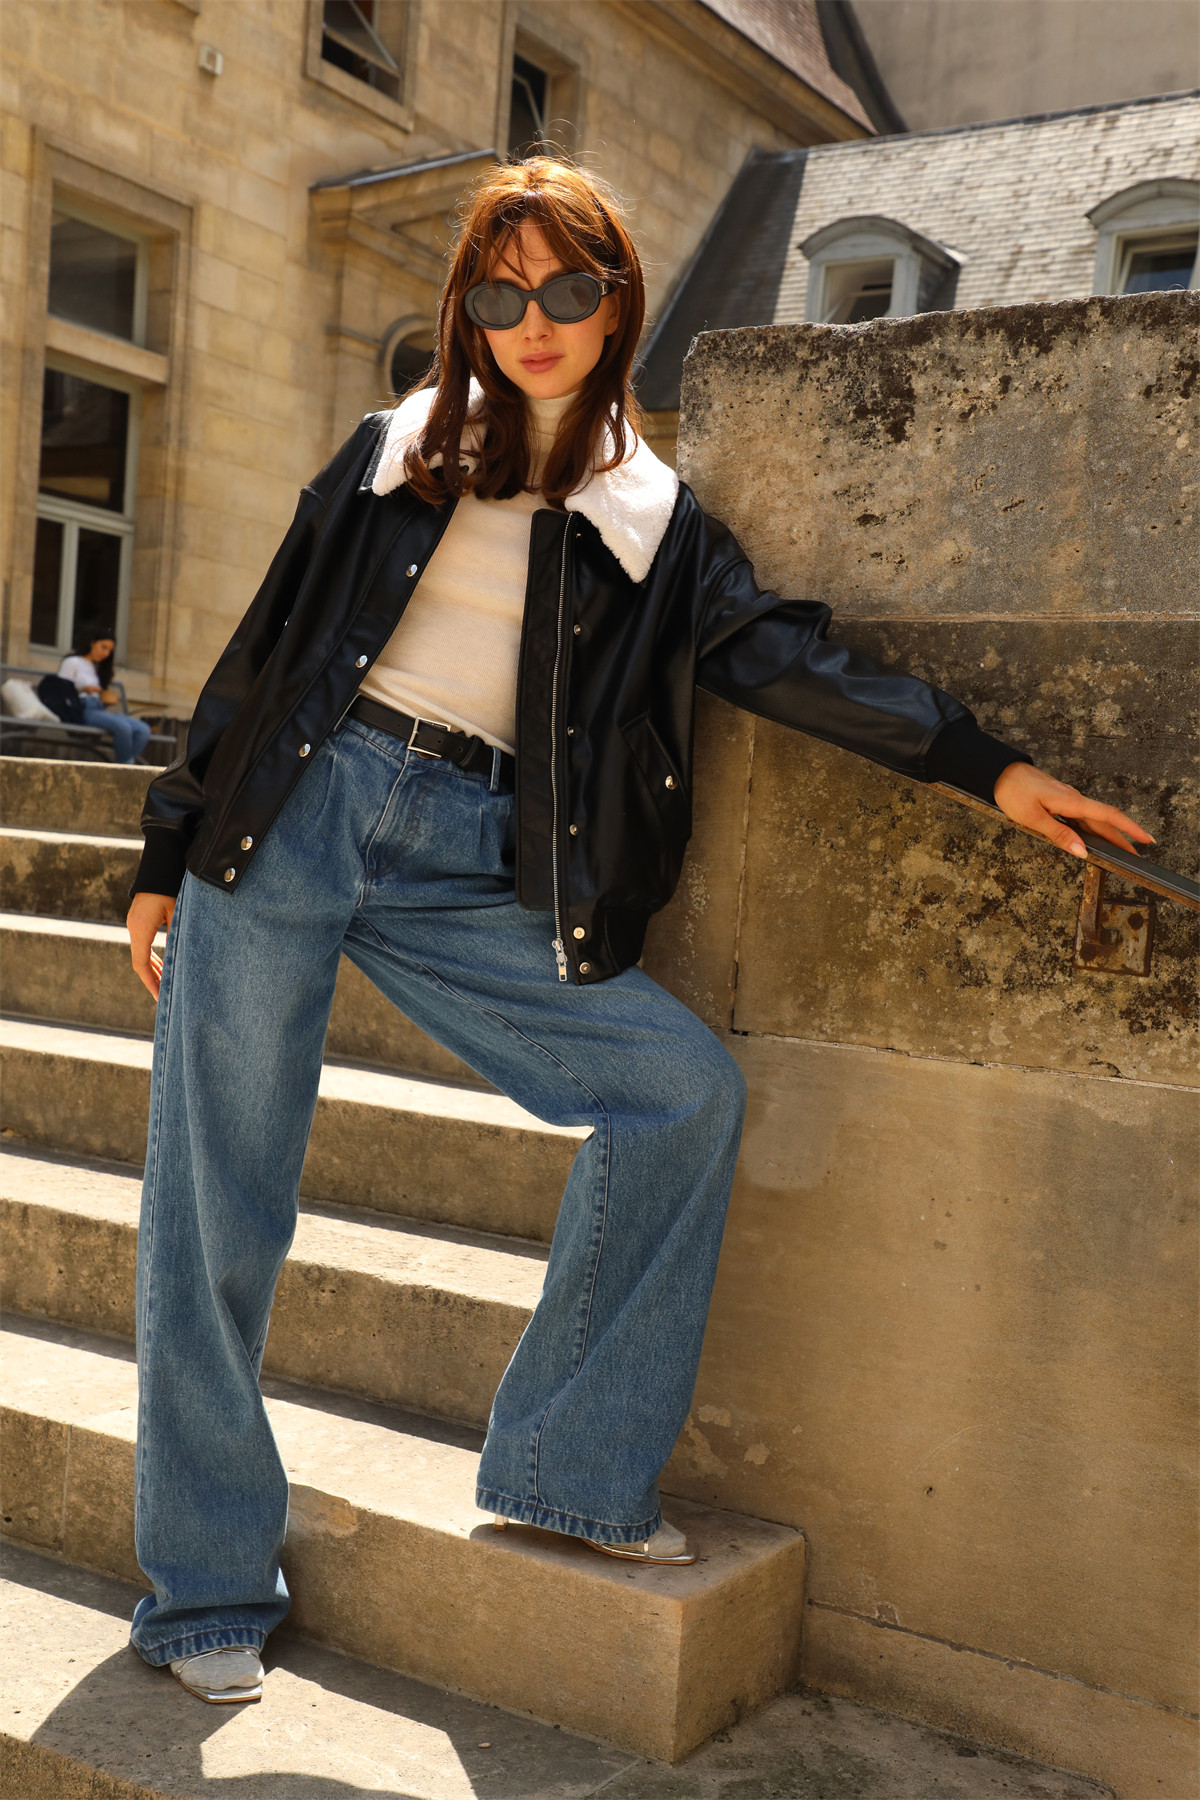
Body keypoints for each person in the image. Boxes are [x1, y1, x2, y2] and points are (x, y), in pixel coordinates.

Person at [124, 158, 1151, 1708]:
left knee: (680, 1092)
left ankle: (567, 1468)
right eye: (500, 292)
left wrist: (985, 766)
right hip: (292, 816)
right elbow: (265, 648)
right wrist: (167, 849)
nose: (533, 320)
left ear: (617, 304)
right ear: (469, 311)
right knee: (220, 1200)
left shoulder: (652, 522)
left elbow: (788, 659)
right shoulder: (393, 454)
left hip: (473, 859)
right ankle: (204, 1585)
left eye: (566, 288)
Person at [58, 629, 152, 765]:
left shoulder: (96, 667)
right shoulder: (72, 662)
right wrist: (84, 689)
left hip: (98, 709)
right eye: (103, 647)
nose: (106, 654)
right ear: (92, 643)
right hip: (82, 708)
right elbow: (60, 689)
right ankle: (125, 767)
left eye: (110, 651)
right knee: (123, 728)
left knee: (143, 730)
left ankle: (124, 765)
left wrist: (106, 699)